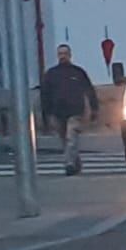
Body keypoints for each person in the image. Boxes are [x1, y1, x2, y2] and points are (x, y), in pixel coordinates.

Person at [40, 43, 101, 175]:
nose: (63, 56)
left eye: (65, 54)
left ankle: (69, 164)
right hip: (57, 112)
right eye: (60, 54)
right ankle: (75, 162)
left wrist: (94, 108)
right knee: (65, 140)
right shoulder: (51, 74)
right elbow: (45, 94)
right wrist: (46, 114)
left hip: (75, 111)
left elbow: (89, 90)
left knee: (71, 137)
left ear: (70, 55)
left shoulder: (78, 72)